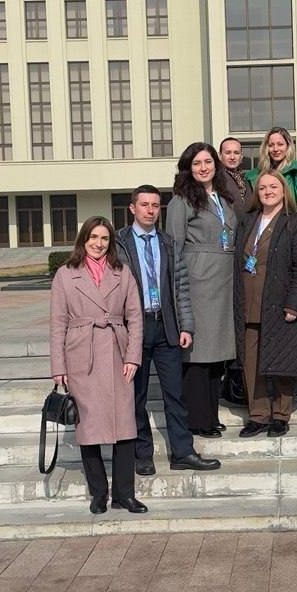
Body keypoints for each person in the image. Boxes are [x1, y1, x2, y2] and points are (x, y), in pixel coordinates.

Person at [116, 185, 221, 476]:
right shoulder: (119, 242)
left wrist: (186, 325)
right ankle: (142, 454)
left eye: (155, 205)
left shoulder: (168, 242)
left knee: (175, 394)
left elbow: (181, 288)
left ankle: (183, 451)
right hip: (134, 330)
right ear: (132, 208)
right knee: (136, 396)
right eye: (144, 205)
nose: (150, 211)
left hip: (166, 327)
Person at [49, 216, 146, 515]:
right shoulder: (66, 274)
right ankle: (98, 493)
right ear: (83, 239)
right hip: (82, 355)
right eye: (93, 237)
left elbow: (135, 317)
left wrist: (133, 356)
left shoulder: (122, 272)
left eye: (104, 238)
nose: (98, 244)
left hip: (117, 353)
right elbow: (57, 323)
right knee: (88, 428)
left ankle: (124, 494)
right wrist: (58, 366)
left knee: (125, 425)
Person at [165, 143, 237, 436]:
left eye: (208, 162)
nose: (203, 168)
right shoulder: (181, 201)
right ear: (188, 168)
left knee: (216, 355)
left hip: (224, 283)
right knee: (197, 356)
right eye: (197, 163)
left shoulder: (224, 197)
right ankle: (197, 419)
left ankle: (211, 414)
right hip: (197, 284)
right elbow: (173, 247)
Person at [233, 171, 297, 437]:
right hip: (248, 302)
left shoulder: (294, 223)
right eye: (263, 187)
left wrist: (294, 304)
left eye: (273, 186)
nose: (268, 191)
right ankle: (258, 415)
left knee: (282, 359)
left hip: (280, 303)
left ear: (283, 190)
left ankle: (280, 414)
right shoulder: (247, 221)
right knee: (251, 361)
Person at [245, 127, 297, 218]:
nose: (275, 149)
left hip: (292, 224)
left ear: (288, 146)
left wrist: (295, 226)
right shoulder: (254, 176)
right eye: (271, 145)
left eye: (280, 144)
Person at [219, 136, 251, 213]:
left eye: (236, 153)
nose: (232, 157)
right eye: (228, 153)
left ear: (241, 156)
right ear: (220, 155)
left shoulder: (245, 180)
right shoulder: (216, 179)